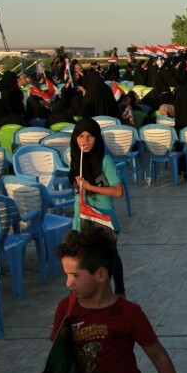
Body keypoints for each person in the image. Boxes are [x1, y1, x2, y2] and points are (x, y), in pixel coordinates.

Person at [28, 229, 187, 373]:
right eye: (66, 275)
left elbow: (158, 355)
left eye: (75, 275)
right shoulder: (66, 309)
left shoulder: (129, 313)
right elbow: (58, 361)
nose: (68, 283)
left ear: (101, 275)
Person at [68, 118, 126, 296]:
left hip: (103, 217)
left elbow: (118, 191)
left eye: (90, 136)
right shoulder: (76, 159)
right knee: (81, 258)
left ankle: (119, 293)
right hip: (82, 217)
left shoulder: (104, 160)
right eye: (81, 136)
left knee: (110, 258)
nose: (85, 140)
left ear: (97, 138)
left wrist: (90, 187)